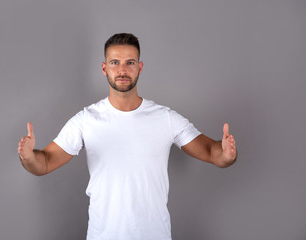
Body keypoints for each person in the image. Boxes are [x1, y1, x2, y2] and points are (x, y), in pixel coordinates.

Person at [18, 33, 237, 240]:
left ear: (139, 67)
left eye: (130, 62)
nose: (122, 70)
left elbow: (211, 152)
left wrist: (226, 154)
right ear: (104, 68)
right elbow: (44, 163)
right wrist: (28, 157)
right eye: (115, 63)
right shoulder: (86, 120)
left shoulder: (165, 118)